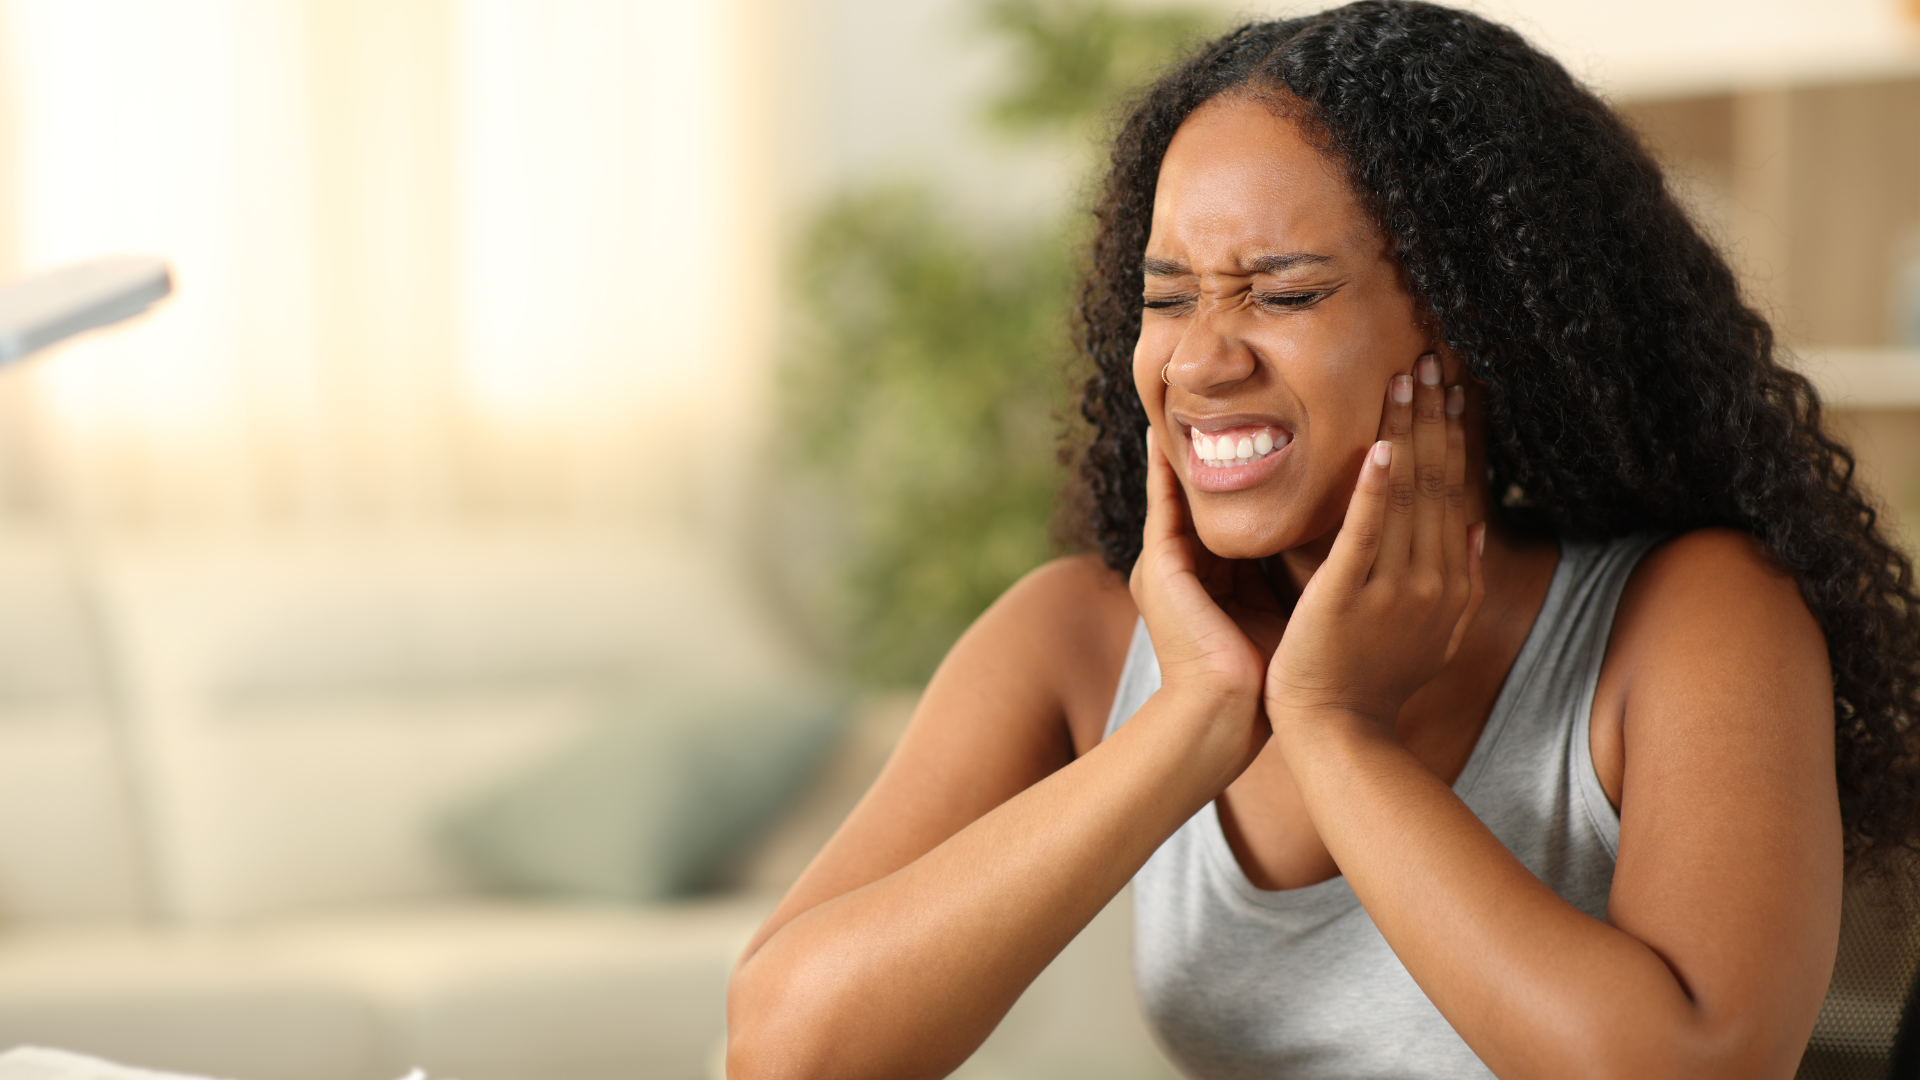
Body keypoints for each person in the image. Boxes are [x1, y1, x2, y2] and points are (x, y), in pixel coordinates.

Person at [726, 2, 1920, 1077]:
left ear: (1476, 323)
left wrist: (1339, 733)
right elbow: (785, 1052)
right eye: (1168, 295)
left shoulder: (1691, 616)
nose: (1202, 360)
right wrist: (1193, 720)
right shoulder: (1077, 638)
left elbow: (1685, 1070)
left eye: (1283, 294)